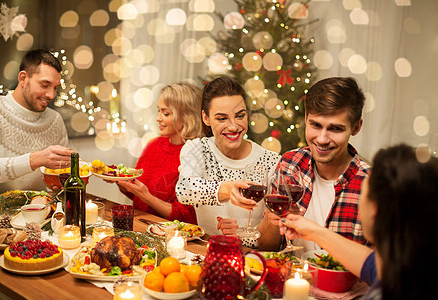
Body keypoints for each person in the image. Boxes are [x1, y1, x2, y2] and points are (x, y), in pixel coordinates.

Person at [282, 144, 438, 300]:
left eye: (364, 192)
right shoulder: (412, 270)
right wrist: (315, 232)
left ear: (375, 210)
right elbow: (370, 264)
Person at [256, 77, 371, 252]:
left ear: (356, 127)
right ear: (306, 119)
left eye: (335, 129)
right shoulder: (290, 164)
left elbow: (380, 269)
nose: (322, 139)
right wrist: (271, 219)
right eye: (315, 125)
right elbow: (266, 246)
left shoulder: (374, 186)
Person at [176, 76, 280, 248]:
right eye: (222, 118)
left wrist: (240, 235)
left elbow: (272, 244)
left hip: (249, 260)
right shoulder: (197, 148)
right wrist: (228, 189)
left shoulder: (271, 160)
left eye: (240, 116)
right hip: (203, 254)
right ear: (206, 118)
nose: (233, 127)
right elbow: (184, 190)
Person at [0, 49, 72, 197]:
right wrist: (37, 159)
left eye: (55, 88)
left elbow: (62, 174)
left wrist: (61, 183)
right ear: (23, 78)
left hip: (41, 211)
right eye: (45, 85)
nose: (51, 95)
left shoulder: (55, 120)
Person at [116, 82, 202, 224]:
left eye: (166, 113)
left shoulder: (194, 155)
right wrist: (120, 182)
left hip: (168, 237)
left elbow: (186, 217)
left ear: (186, 116)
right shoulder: (154, 145)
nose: (158, 118)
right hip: (139, 225)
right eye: (159, 111)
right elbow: (138, 197)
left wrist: (146, 196)